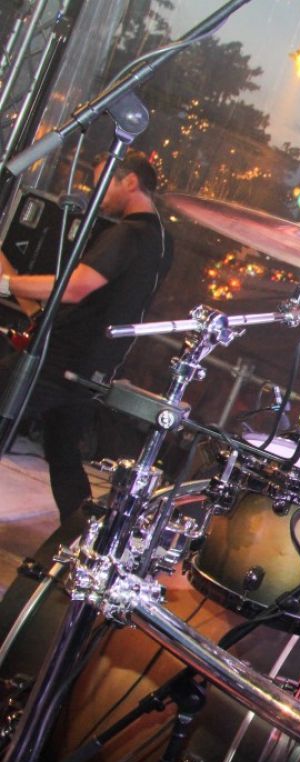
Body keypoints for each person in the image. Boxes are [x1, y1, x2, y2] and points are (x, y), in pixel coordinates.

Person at [0, 151, 173, 520]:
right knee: (62, 452)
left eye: (103, 184)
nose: (97, 195)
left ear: (130, 181)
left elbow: (76, 287)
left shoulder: (129, 233)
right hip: (94, 366)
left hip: (61, 359)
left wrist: (6, 284)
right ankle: (80, 534)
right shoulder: (161, 241)